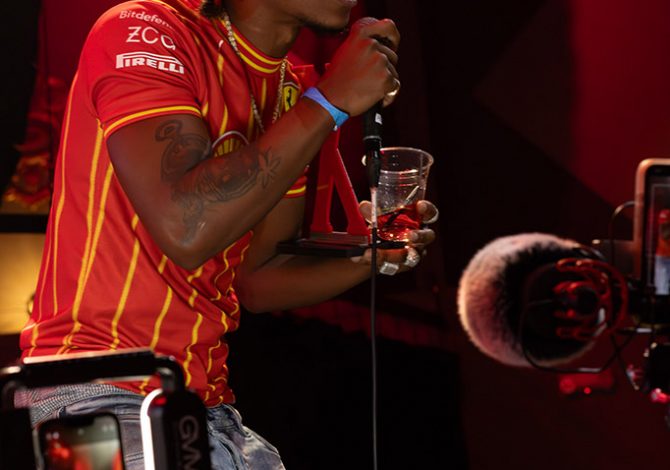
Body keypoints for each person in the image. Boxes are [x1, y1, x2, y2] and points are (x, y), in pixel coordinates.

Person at [17, 0, 438, 468]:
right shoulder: (144, 29)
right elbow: (184, 227)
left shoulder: (290, 91)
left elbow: (257, 279)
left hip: (206, 408)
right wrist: (330, 102)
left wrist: (374, 257)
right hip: (99, 392)